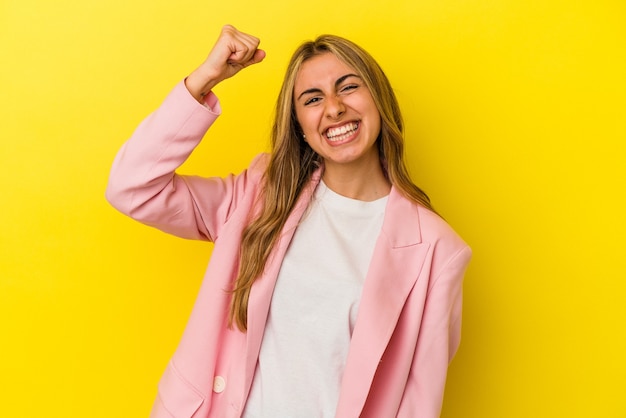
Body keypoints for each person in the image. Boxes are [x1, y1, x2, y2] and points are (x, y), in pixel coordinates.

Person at [106, 24, 471, 418]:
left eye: (348, 87)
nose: (333, 108)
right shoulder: (258, 196)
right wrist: (204, 79)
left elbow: (418, 402)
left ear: (378, 99)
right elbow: (132, 187)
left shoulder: (436, 251)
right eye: (313, 99)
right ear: (299, 123)